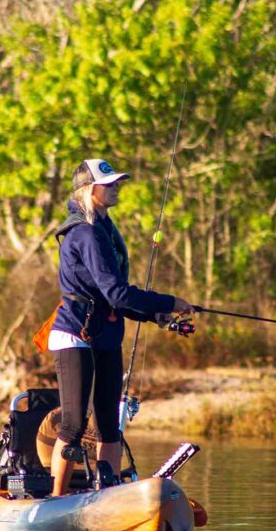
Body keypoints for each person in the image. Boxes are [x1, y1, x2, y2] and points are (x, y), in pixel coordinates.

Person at [48, 158, 194, 496]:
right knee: (73, 423)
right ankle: (56, 499)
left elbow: (113, 297)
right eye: (109, 183)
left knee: (109, 425)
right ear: (89, 189)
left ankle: (107, 495)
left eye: (117, 183)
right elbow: (116, 291)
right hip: (74, 333)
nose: (116, 188)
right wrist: (168, 301)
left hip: (106, 334)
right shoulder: (84, 233)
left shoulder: (104, 230)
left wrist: (156, 315)